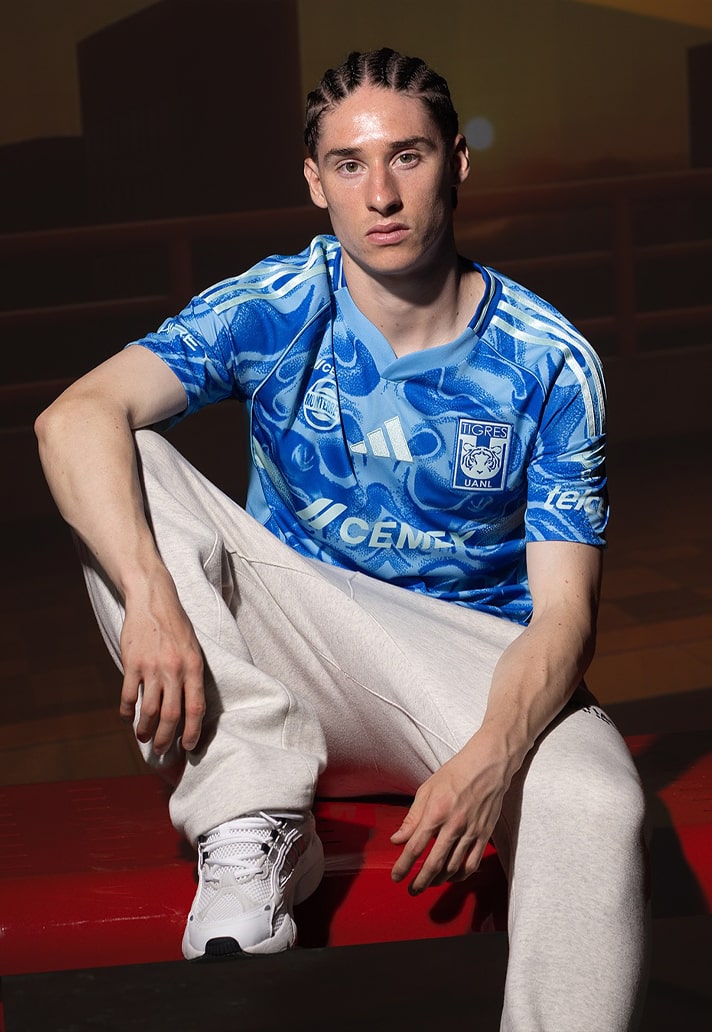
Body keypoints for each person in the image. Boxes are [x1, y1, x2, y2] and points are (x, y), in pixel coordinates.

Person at [35, 48, 648, 1030]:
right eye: (350, 164)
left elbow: (566, 619)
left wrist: (497, 752)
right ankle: (249, 810)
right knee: (123, 452)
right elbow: (70, 418)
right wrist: (150, 597)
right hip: (296, 658)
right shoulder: (280, 304)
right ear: (315, 182)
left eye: (408, 156)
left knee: (597, 804)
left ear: (456, 162)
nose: (382, 194)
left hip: (465, 671)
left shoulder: (546, 360)